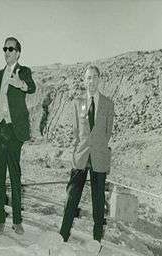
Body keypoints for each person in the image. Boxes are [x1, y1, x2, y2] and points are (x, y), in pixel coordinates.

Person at [0, 36, 36, 235]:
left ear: (18, 52)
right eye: (5, 48)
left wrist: (21, 84)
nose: (7, 52)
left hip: (14, 132)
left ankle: (17, 220)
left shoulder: (24, 72)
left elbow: (31, 87)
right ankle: (0, 220)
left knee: (15, 177)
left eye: (11, 48)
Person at [59, 65, 114, 243]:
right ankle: (62, 235)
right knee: (72, 197)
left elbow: (108, 132)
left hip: (99, 156)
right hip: (81, 156)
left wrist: (97, 146)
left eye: (94, 77)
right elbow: (76, 131)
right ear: (85, 80)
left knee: (98, 201)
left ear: (99, 79)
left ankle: (97, 239)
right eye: (88, 78)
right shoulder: (77, 103)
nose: (91, 81)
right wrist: (80, 149)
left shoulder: (108, 104)